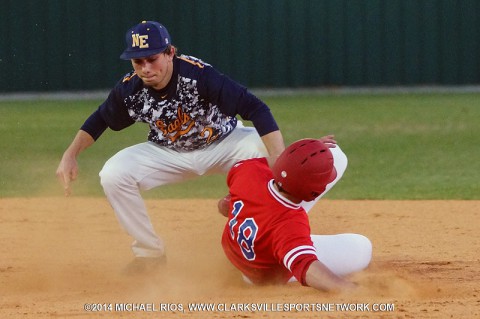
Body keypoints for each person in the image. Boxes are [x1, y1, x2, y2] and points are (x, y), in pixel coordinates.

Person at [219, 139, 372, 291]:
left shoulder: (248, 169)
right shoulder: (289, 223)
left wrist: (303, 153)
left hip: (235, 250)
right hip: (261, 276)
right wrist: (351, 289)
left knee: (334, 154)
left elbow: (224, 206)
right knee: (364, 247)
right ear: (313, 191)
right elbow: (307, 268)